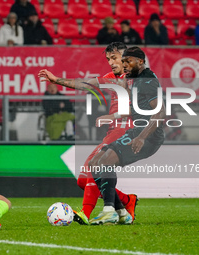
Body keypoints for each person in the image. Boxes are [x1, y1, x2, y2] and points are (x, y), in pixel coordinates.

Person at [38, 42, 138, 225]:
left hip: (126, 130)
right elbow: (85, 85)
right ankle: (124, 203)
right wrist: (56, 80)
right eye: (108, 59)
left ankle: (86, 212)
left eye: (114, 58)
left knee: (94, 166)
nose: (111, 62)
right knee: (84, 180)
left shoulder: (137, 78)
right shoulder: (112, 77)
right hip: (113, 131)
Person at [89, 46, 165, 225]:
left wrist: (141, 137)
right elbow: (135, 107)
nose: (124, 65)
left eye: (127, 61)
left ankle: (109, 211)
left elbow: (160, 112)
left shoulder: (148, 80)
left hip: (148, 135)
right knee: (95, 163)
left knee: (105, 161)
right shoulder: (135, 79)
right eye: (122, 61)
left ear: (140, 61)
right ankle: (122, 212)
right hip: (137, 131)